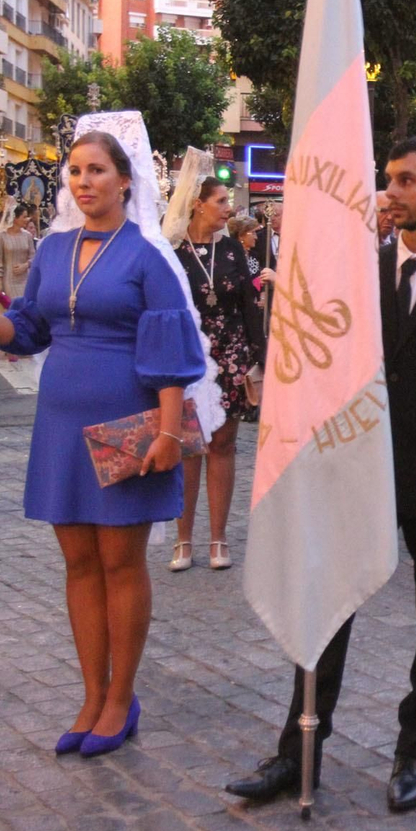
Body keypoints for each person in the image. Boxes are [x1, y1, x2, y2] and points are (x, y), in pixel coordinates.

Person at [225, 137, 416, 812]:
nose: (393, 191)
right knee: (326, 612)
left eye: (407, 180)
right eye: (388, 180)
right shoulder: (363, 271)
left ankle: (414, 750)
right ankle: (297, 750)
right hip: (354, 473)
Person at [0, 121, 209, 758]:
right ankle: (92, 694)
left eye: (97, 170)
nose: (84, 180)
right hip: (61, 426)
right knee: (78, 564)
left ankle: (122, 697)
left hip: (127, 427)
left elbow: (172, 351)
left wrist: (169, 431)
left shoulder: (147, 255)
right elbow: (27, 331)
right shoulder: (54, 252)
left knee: (121, 564)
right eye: (75, 170)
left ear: (124, 181)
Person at [166, 167, 266, 572]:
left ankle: (218, 538)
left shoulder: (233, 251)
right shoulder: (172, 251)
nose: (229, 209)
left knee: (223, 445)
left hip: (231, 356)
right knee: (189, 448)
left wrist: (258, 357)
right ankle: (183, 538)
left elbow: (248, 306)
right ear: (197, 204)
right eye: (221, 201)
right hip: (189, 357)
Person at [0, 204, 36, 305]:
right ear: (15, 218)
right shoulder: (1, 236)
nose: (27, 219)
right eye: (24, 217)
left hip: (25, 279)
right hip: (9, 279)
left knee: (25, 305)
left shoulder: (27, 236)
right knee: (13, 306)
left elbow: (34, 257)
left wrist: (25, 265)